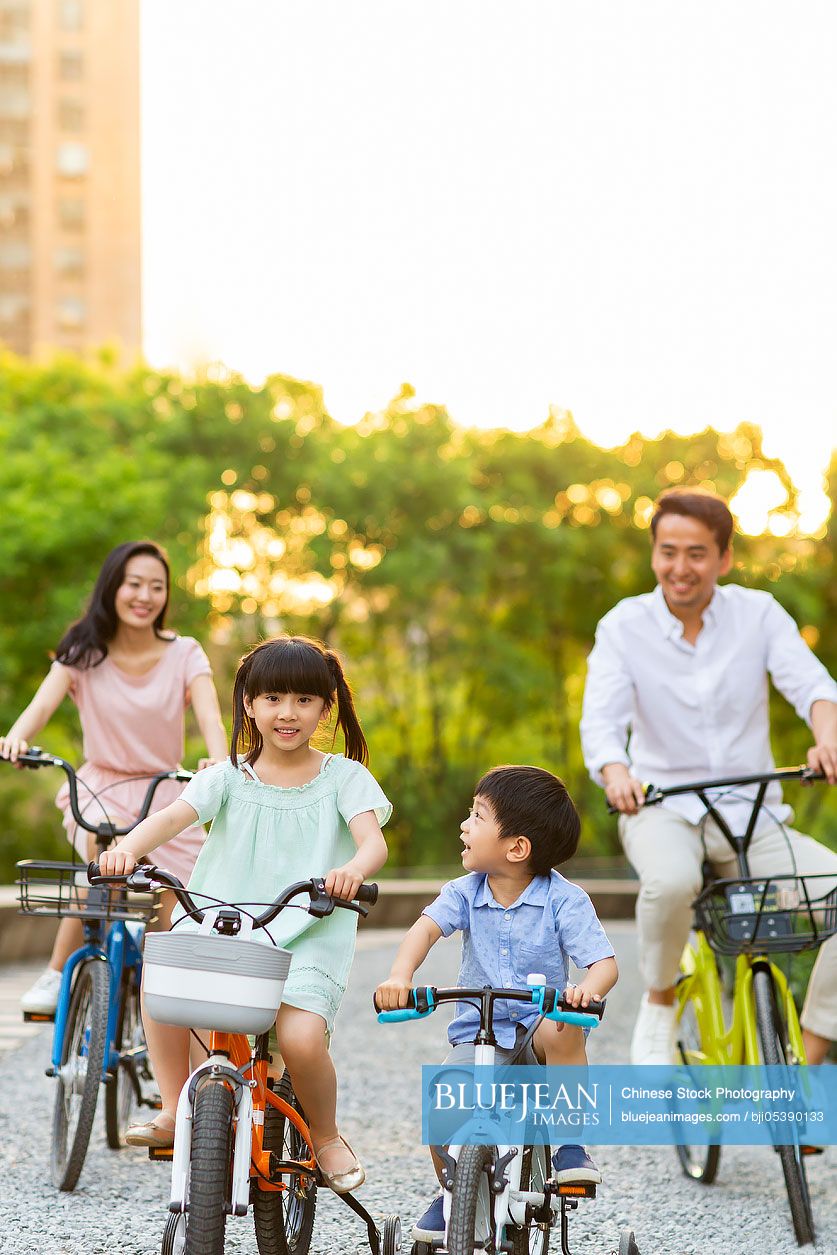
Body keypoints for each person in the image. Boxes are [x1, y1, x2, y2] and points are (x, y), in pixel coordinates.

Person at [98, 634, 390, 1192]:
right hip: (225, 923)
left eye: (305, 701)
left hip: (307, 929)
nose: (288, 713)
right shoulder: (228, 775)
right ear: (249, 705)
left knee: (302, 1040)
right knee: (163, 981)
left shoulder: (343, 777)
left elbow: (372, 843)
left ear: (327, 709)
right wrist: (127, 850)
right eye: (273, 698)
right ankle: (170, 1103)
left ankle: (326, 1135)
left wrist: (353, 868)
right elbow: (172, 817)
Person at [580, 488, 837, 1065]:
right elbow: (601, 723)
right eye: (668, 552)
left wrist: (829, 739)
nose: (680, 568)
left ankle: (812, 1056)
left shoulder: (759, 614)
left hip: (755, 814)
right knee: (670, 884)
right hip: (662, 807)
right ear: (653, 555)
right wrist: (618, 774)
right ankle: (660, 998)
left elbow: (816, 689)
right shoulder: (624, 627)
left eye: (697, 554)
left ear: (723, 559)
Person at [375, 764, 617, 1244]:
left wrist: (587, 990)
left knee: (563, 1028)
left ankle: (570, 1146)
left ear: (516, 847)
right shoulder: (464, 893)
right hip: (480, 1031)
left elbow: (604, 964)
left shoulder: (565, 901)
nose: (465, 825)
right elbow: (424, 930)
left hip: (538, 1031)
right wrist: (400, 976)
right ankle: (453, 1192)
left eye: (478, 815)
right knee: (443, 1102)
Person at [0, 541, 228, 1015]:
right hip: (101, 788)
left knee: (175, 906)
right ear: (113, 588)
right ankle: (58, 972)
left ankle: (166, 1009)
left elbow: (212, 720)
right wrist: (17, 740)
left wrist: (218, 761)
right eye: (134, 584)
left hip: (164, 791)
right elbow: (40, 707)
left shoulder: (185, 653)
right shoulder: (83, 652)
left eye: (157, 587)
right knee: (106, 870)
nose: (145, 595)